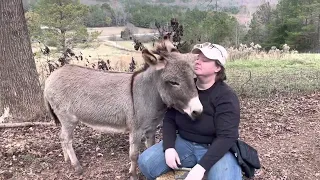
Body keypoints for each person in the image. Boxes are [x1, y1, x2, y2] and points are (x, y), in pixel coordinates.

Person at [138, 42, 242, 180]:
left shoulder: (226, 96)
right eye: (198, 58)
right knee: (145, 162)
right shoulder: (183, 85)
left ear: (218, 67)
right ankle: (188, 172)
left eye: (205, 60)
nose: (198, 62)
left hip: (215, 148)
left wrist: (201, 168)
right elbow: (170, 118)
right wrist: (169, 147)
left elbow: (227, 137)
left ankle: (200, 171)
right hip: (184, 143)